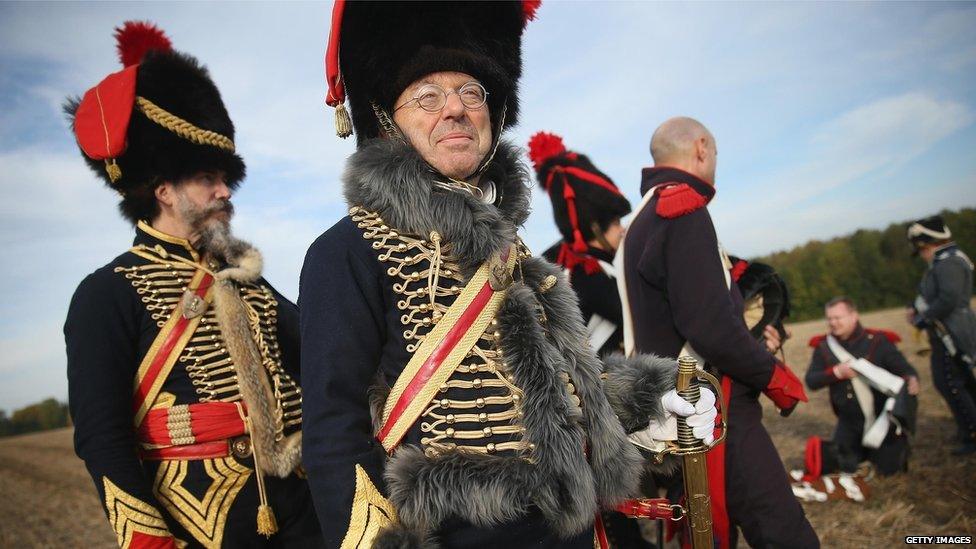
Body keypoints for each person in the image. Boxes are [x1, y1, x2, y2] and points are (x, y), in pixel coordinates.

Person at [300, 3, 717, 547]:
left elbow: (558, 390)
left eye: (471, 94)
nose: (455, 110)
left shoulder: (515, 252)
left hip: (569, 525)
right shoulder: (345, 251)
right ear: (386, 119)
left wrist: (651, 399)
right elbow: (335, 433)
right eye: (427, 97)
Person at [63, 22, 321, 548]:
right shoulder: (105, 294)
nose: (226, 191)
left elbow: (322, 355)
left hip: (306, 512)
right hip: (207, 527)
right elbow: (102, 439)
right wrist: (150, 542)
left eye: (226, 177)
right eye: (208, 178)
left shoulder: (248, 281)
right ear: (162, 187)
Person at [616, 116, 819, 548]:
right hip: (713, 404)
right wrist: (774, 377)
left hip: (676, 406)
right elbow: (709, 327)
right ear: (702, 147)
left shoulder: (641, 220)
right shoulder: (682, 206)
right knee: (783, 532)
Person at [528, 131, 631, 356]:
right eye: (615, 222)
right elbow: (641, 318)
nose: (622, 229)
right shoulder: (590, 273)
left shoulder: (562, 260)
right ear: (595, 225)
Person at [806, 297, 920, 475]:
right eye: (829, 318)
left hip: (881, 422)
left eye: (838, 317)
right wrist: (836, 373)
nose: (833, 323)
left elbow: (905, 370)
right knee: (842, 467)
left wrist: (911, 379)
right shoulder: (824, 347)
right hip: (849, 423)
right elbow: (811, 381)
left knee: (888, 471)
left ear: (854, 316)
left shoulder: (877, 341)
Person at [907, 215, 976, 455]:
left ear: (928, 242)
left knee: (951, 382)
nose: (922, 254)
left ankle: (972, 432)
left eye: (922, 248)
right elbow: (930, 293)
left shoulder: (949, 263)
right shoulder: (944, 261)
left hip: (952, 330)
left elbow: (949, 299)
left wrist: (922, 318)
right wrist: (915, 307)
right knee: (957, 380)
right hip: (946, 329)